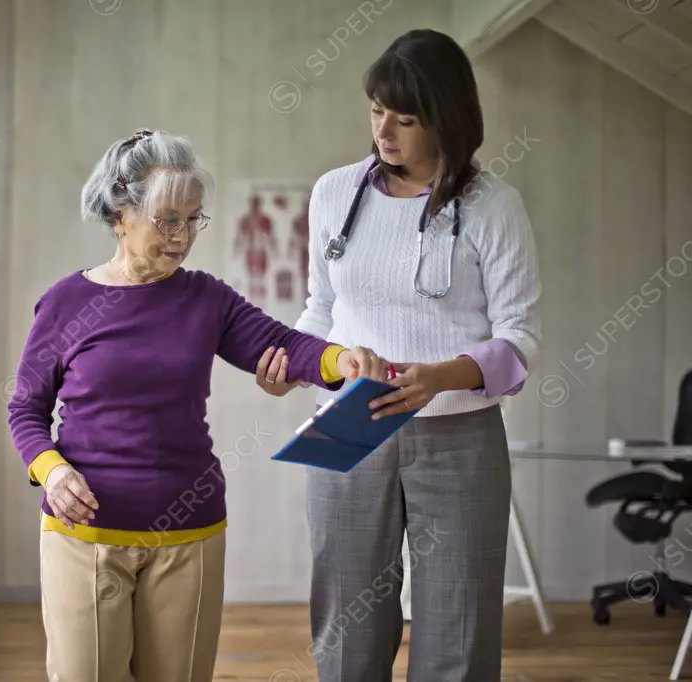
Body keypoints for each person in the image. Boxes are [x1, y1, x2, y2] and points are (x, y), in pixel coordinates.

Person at [5, 128, 387, 682]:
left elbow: (284, 345)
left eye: (192, 219)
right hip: (85, 532)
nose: (182, 236)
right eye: (167, 220)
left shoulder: (205, 297)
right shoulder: (68, 303)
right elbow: (25, 411)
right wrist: (53, 471)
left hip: (189, 532)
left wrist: (341, 361)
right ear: (121, 214)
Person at [255, 29, 542, 682]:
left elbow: (520, 338)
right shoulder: (333, 194)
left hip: (459, 433)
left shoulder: (494, 207)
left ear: (447, 118)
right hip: (349, 426)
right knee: (346, 625)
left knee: (458, 627)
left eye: (406, 118)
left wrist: (441, 377)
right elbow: (318, 310)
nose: (385, 131)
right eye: (377, 109)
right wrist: (298, 366)